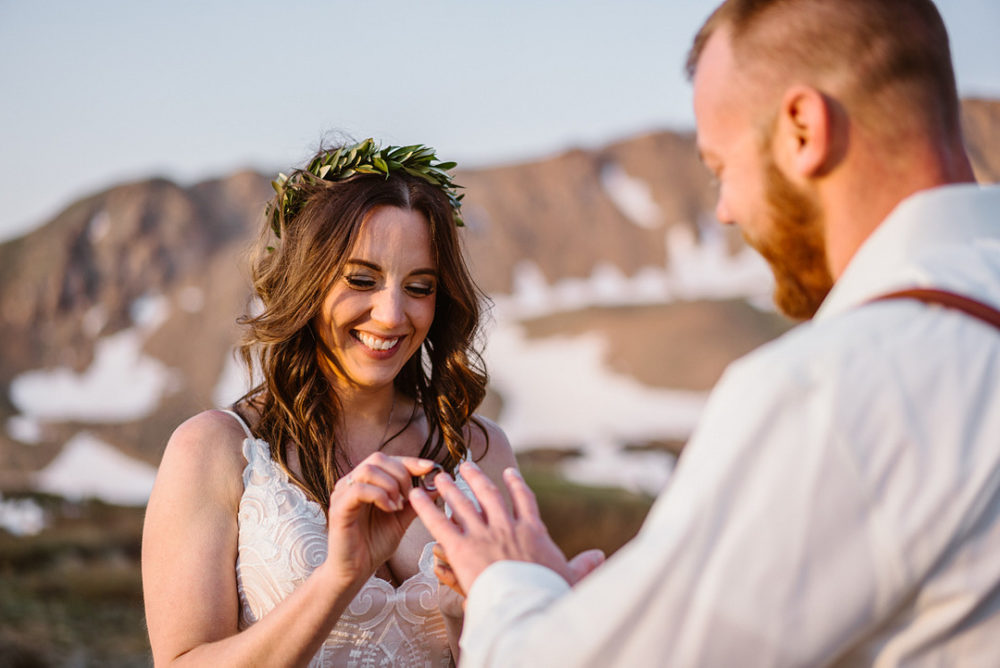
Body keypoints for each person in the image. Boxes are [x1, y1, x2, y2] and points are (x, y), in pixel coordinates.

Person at [410, 0, 1000, 665]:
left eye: (721, 170)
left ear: (803, 128)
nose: (724, 212)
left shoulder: (832, 390)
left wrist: (506, 583)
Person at [141, 137, 517, 667]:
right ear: (307, 282)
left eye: (419, 286)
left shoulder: (481, 452)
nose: (391, 315)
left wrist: (468, 623)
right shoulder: (214, 449)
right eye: (362, 279)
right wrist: (339, 577)